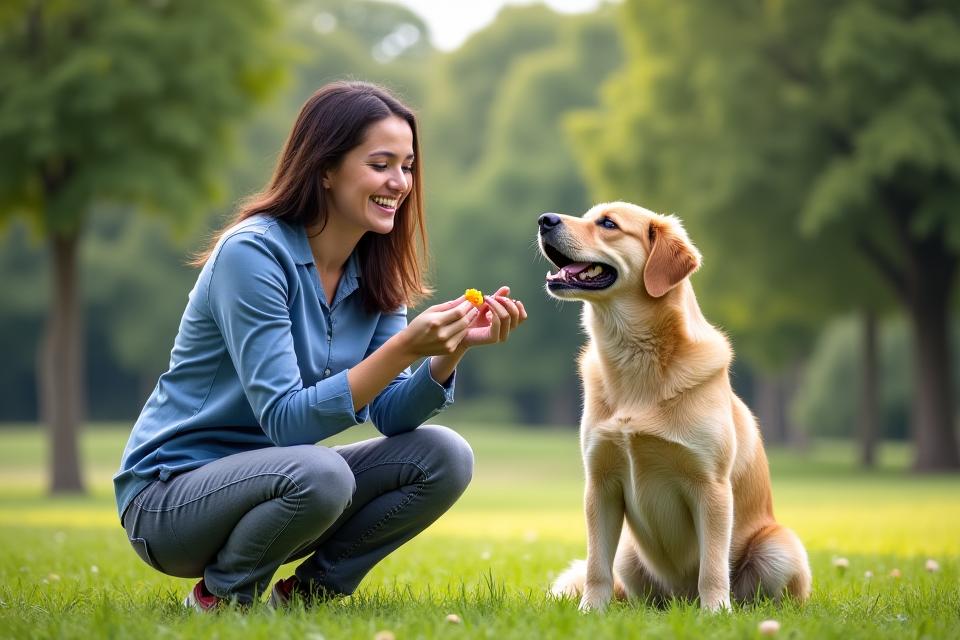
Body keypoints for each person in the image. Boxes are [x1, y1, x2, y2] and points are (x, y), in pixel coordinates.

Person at [113, 81, 527, 611]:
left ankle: (306, 598)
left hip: (285, 486)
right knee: (322, 473)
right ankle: (223, 599)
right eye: (380, 164)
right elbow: (286, 423)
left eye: (407, 167)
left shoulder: (376, 268)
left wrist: (448, 351)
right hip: (170, 498)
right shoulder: (252, 255)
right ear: (325, 168)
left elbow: (392, 416)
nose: (399, 183)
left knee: (445, 455)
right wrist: (405, 347)